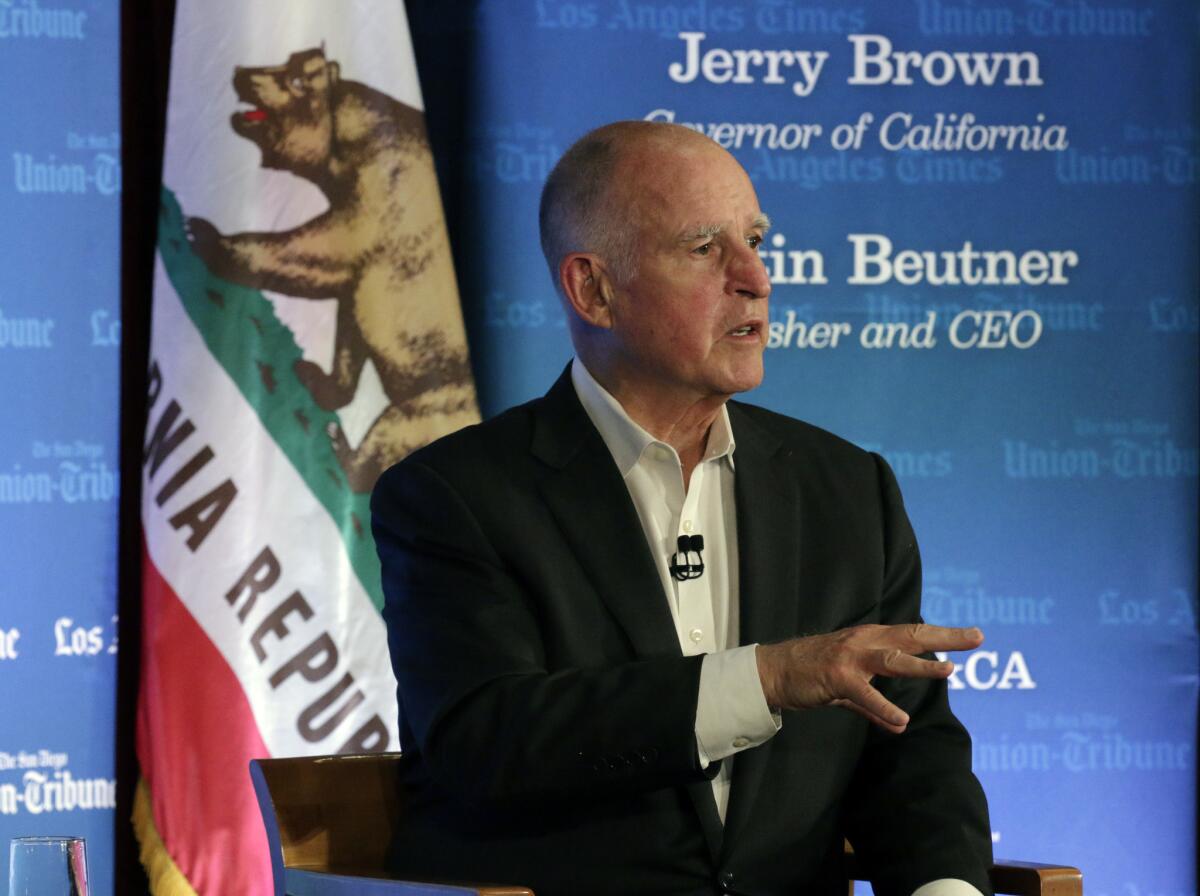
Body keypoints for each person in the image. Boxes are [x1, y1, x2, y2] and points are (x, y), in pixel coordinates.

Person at [371, 120, 993, 896]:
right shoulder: (455, 496)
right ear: (593, 289)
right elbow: (488, 744)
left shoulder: (847, 489)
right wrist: (765, 678)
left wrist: (946, 889)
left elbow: (910, 748)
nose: (756, 278)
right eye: (704, 249)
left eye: (757, 240)